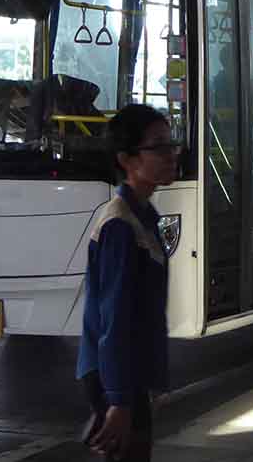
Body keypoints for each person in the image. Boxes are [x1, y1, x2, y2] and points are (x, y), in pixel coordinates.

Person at [77, 105, 180, 462]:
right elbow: (115, 319)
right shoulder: (121, 227)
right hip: (115, 376)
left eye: (170, 143)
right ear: (127, 159)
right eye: (159, 147)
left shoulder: (144, 216)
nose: (171, 154)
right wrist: (119, 400)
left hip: (126, 373)